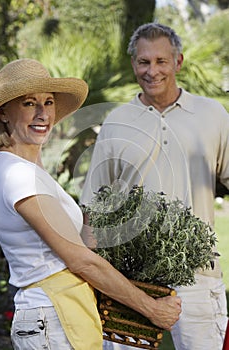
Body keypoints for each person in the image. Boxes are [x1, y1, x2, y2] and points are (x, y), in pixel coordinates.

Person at [0, 58, 181, 350]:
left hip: (59, 315)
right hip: (51, 317)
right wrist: (151, 309)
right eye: (30, 103)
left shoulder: (29, 172)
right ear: (4, 112)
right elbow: (79, 259)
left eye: (48, 102)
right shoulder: (18, 175)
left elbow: (81, 243)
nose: (43, 113)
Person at [80, 23, 229, 350]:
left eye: (161, 61)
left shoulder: (213, 115)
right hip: (131, 282)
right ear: (133, 64)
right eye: (144, 62)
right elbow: (92, 206)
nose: (152, 70)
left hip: (200, 277)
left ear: (178, 62)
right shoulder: (117, 122)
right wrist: (96, 280)